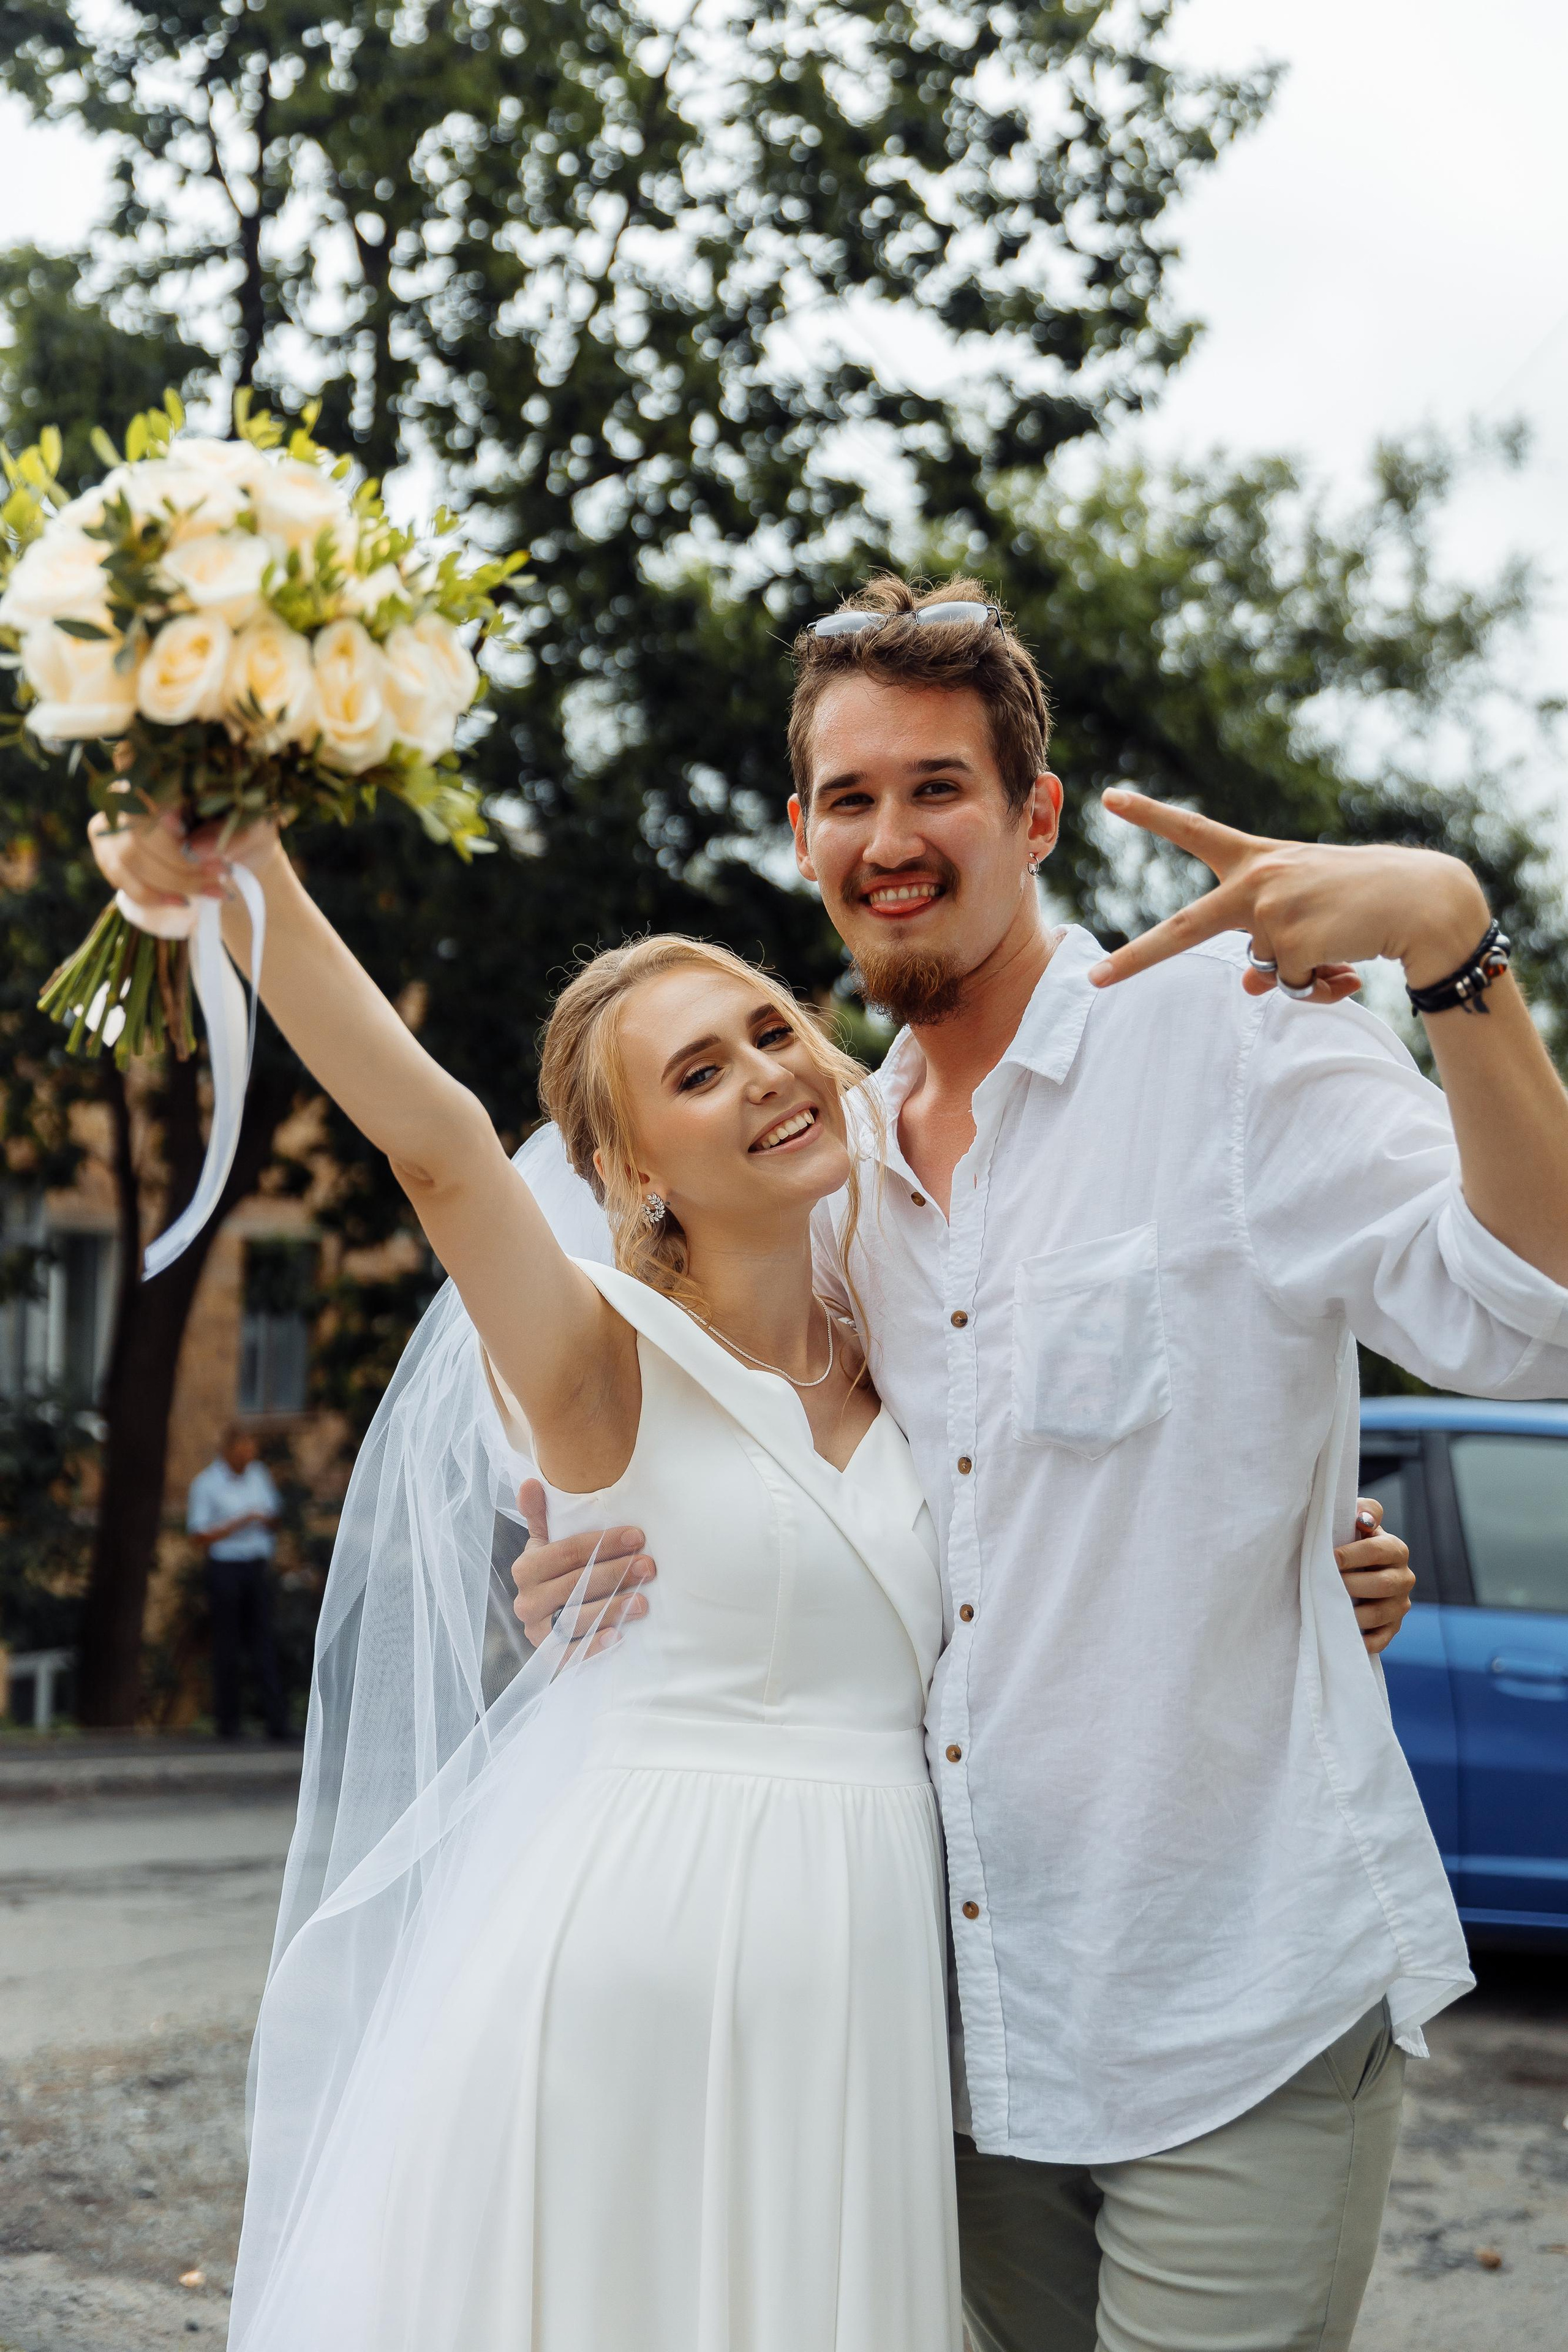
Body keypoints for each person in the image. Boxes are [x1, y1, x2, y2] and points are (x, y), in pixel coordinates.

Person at [513, 575, 1568, 2352]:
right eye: (850, 798)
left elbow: (1536, 1320)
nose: (892, 836)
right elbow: (756, 1456)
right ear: (803, 836)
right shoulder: (830, 1176)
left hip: (1233, 1989)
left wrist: (1457, 954)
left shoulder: (1240, 1039)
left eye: (938, 786)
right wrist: (583, 1557)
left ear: (1037, 817)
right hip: (949, 2030)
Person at [92, 802, 971, 2348]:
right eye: (697, 1072)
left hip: (861, 1970)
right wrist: (251, 871)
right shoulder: (594, 1360)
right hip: (633, 1951)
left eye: (768, 1028)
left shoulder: (913, 1342)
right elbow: (431, 1146)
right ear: (630, 1167)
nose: (763, 1071)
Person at [185, 1423, 287, 1741]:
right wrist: (241, 1522)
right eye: (243, 1453)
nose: (248, 1459)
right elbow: (199, 1535)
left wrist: (265, 1520)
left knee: (263, 1643)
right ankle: (228, 1724)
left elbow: (275, 1515)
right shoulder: (206, 1484)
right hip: (225, 1567)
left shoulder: (259, 1475)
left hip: (255, 1566)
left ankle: (276, 1721)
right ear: (228, 1452)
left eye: (252, 1453)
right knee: (227, 1644)